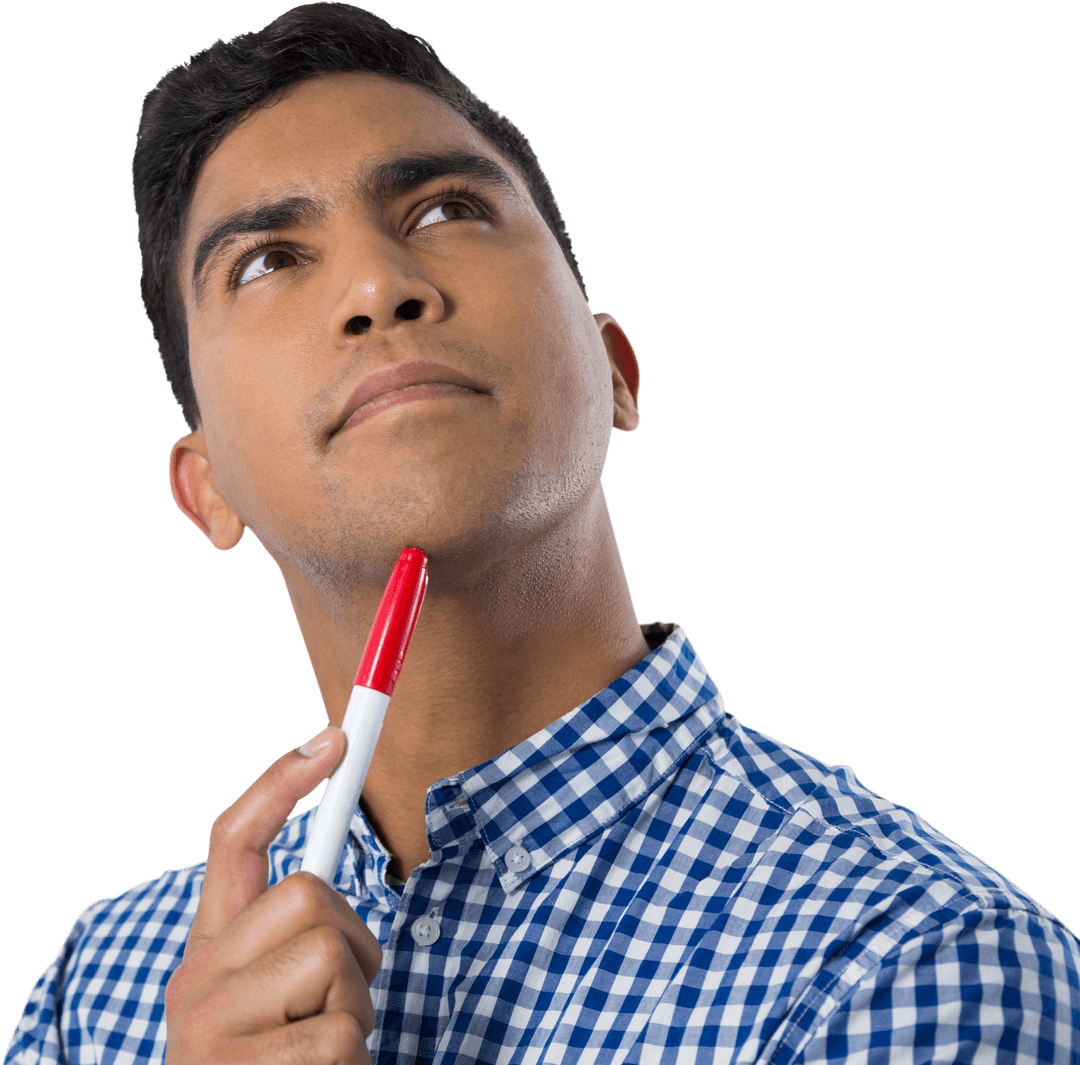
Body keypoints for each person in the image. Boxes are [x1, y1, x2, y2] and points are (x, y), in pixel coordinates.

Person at [6, 4, 1079, 1063]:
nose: (379, 286)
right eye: (267, 261)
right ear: (206, 492)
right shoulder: (103, 989)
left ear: (615, 370)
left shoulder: (915, 961)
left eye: (443, 209)